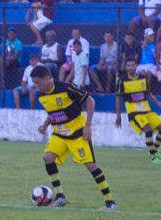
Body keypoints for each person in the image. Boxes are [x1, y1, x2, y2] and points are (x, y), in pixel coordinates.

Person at [31, 64, 117, 210]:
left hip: (78, 133)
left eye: (37, 82)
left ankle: (110, 202)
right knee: (47, 157)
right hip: (60, 134)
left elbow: (90, 101)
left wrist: (88, 126)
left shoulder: (65, 88)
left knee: (91, 165)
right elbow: (53, 112)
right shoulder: (41, 95)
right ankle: (60, 197)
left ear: (47, 78)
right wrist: (45, 125)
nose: (35, 86)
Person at [115, 57, 161, 164]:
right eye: (128, 66)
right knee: (148, 129)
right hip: (134, 114)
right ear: (126, 67)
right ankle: (153, 157)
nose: (131, 68)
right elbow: (118, 98)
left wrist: (158, 103)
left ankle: (155, 150)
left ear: (136, 66)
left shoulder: (143, 78)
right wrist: (118, 116)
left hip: (147, 111)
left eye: (133, 65)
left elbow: (148, 94)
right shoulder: (122, 81)